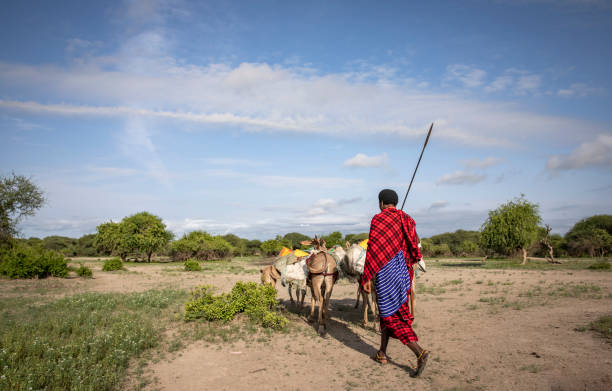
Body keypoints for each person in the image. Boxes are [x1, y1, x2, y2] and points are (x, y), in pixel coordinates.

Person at [361, 189, 430, 377]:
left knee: (391, 316)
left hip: (386, 273)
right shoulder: (406, 219)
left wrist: (366, 276)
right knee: (388, 312)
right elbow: (414, 247)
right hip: (403, 273)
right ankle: (382, 353)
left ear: (382, 203)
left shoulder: (379, 219)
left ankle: (420, 352)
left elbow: (373, 250)